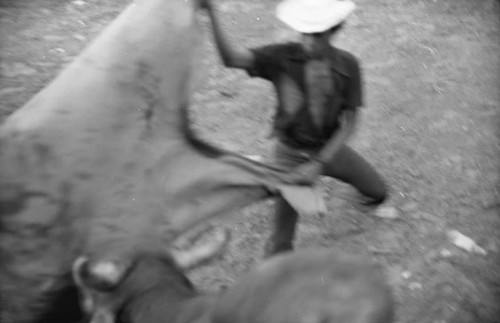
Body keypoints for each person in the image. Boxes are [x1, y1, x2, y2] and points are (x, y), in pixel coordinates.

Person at [201, 0, 393, 256]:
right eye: (305, 34)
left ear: (335, 30)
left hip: (328, 150)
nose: (309, 43)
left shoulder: (348, 65)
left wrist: (318, 164)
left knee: (378, 192)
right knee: (280, 244)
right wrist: (212, 13)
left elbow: (349, 122)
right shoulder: (281, 58)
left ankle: (282, 184)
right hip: (289, 153)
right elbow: (232, 59)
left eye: (318, 35)